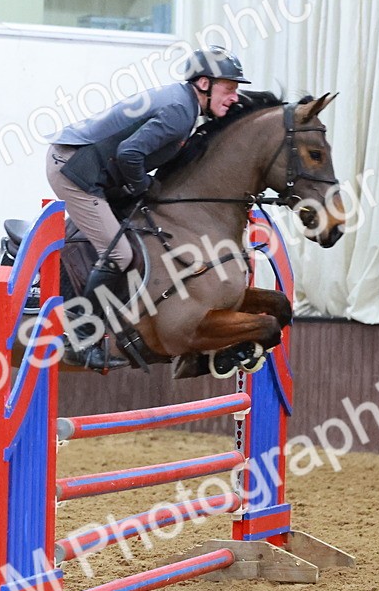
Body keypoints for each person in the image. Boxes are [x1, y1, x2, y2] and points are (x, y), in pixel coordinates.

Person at [46, 45, 251, 370]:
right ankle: (79, 340)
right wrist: (145, 187)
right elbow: (130, 154)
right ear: (203, 84)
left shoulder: (186, 107)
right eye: (229, 88)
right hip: (75, 169)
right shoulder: (179, 112)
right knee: (120, 254)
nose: (234, 97)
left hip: (99, 170)